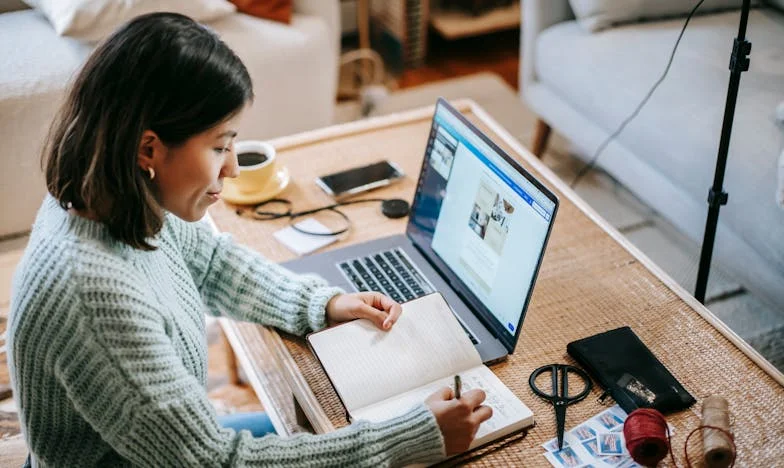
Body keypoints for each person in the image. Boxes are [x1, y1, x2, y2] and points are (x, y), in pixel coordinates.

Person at [7, 12, 492, 467]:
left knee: (331, 416)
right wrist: (405, 439)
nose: (233, 166)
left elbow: (214, 263)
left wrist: (322, 304)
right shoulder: (95, 296)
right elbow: (219, 462)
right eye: (219, 146)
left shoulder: (117, 198)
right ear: (147, 148)